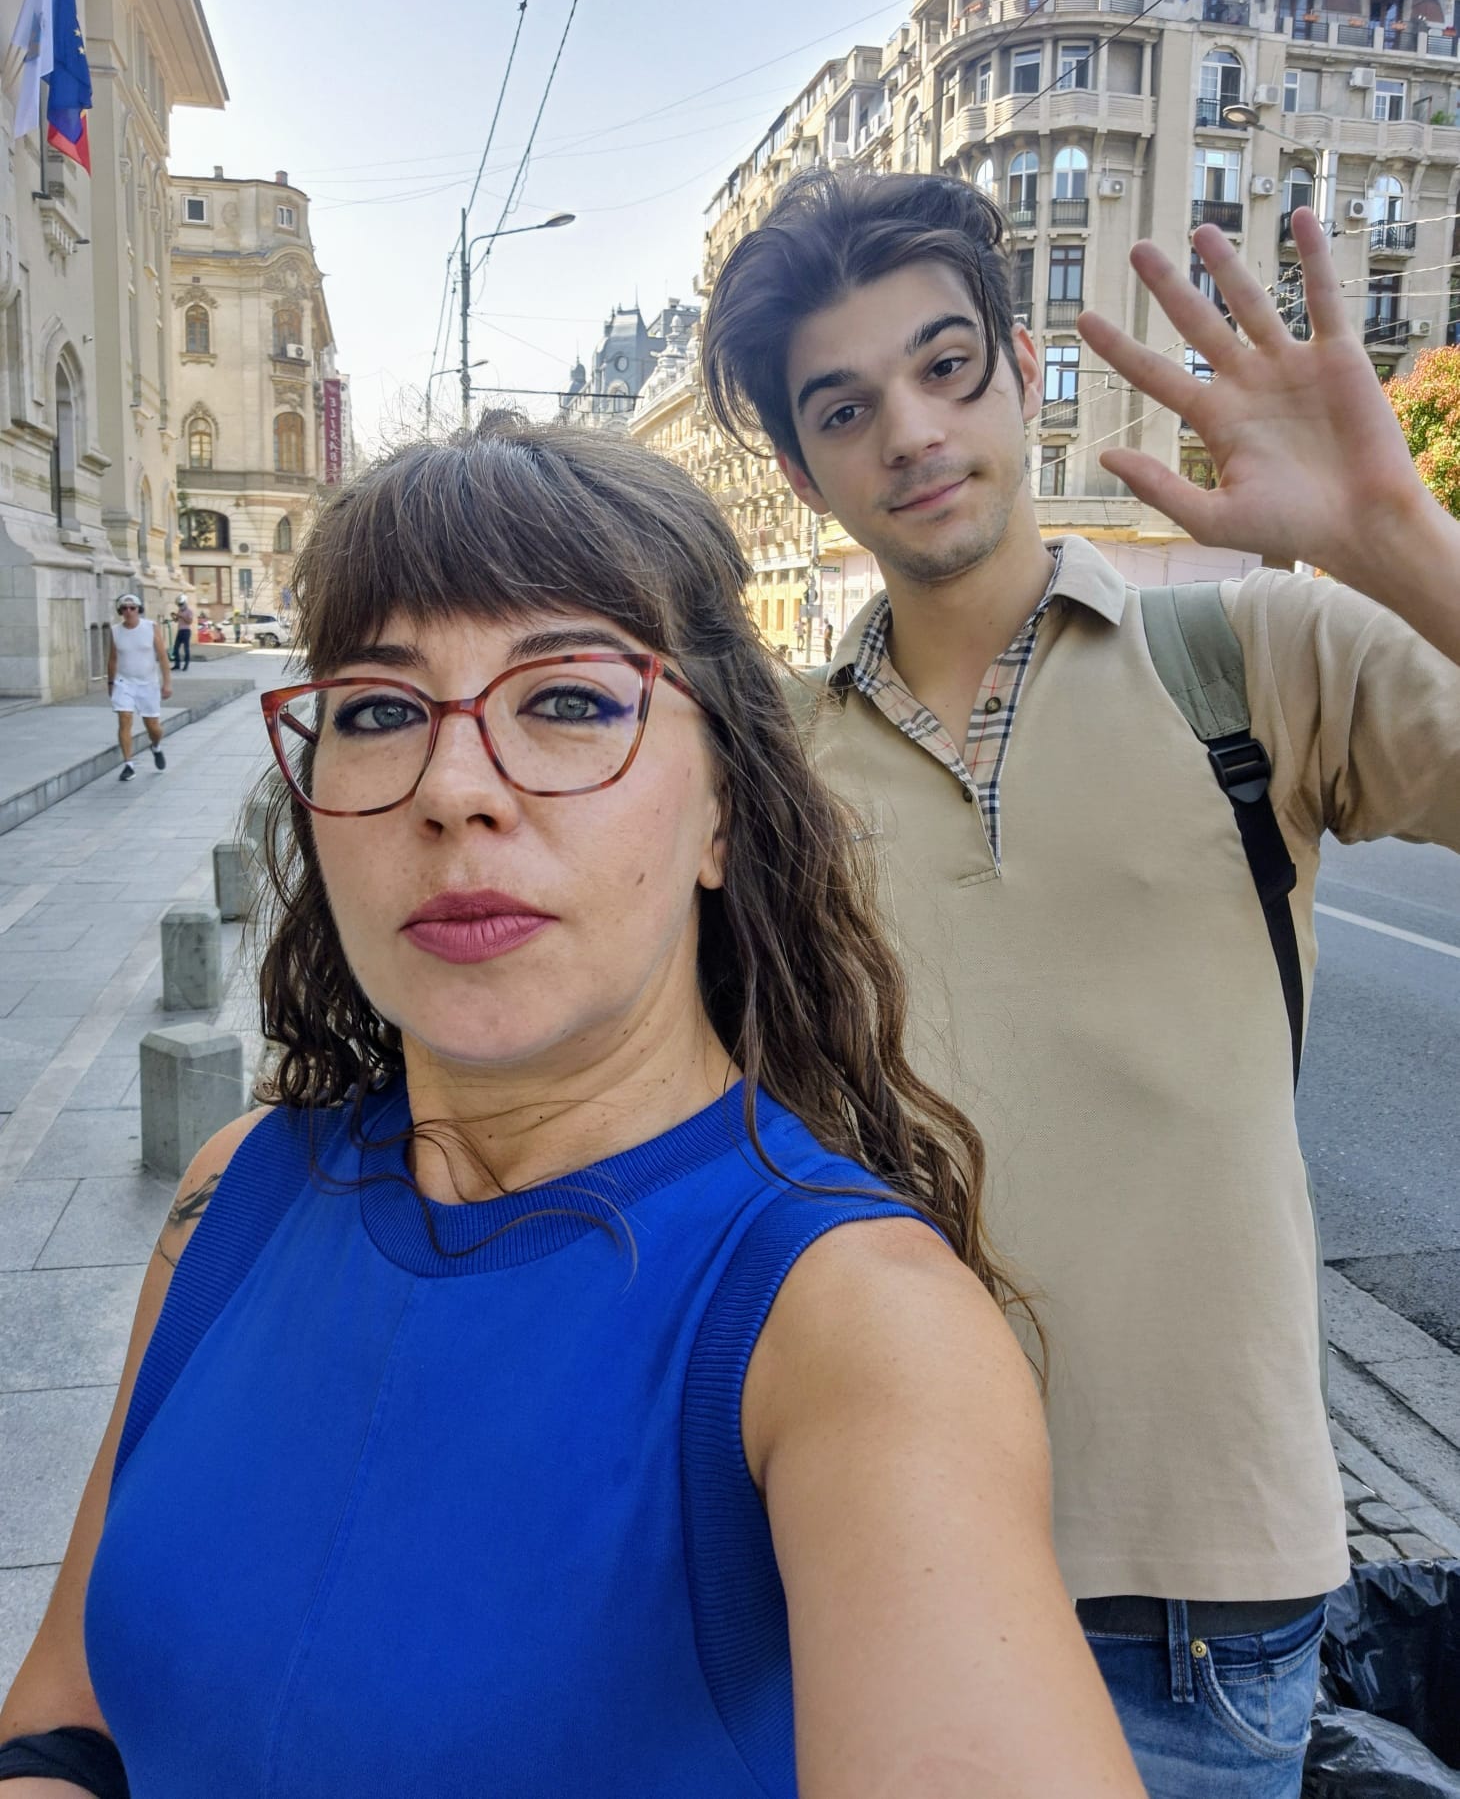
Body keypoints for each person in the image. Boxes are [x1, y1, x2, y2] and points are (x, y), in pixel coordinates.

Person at [0, 419, 1146, 1799]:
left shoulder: (857, 1331)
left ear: (723, 809)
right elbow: (66, 1707)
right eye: (378, 710)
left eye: (569, 699)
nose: (454, 789)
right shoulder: (233, 1192)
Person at [701, 172, 1460, 1797]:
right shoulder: (769, 771)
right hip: (872, 1560)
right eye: (846, 407)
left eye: (945, 366)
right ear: (801, 468)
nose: (912, 431)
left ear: (1019, 366)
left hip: (1203, 1603)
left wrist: (1399, 541)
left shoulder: (1259, 657)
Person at [104, 594, 171, 784]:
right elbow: (112, 659)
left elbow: (162, 656)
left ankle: (156, 746)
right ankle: (129, 765)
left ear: (138, 610)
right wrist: (110, 683)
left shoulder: (150, 627)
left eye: (132, 608)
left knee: (153, 727)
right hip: (123, 682)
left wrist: (167, 683)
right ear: (120, 611)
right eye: (124, 608)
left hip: (148, 683)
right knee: (124, 719)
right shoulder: (116, 631)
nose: (128, 611)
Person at [170, 596, 193, 673]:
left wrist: (182, 616)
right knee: (176, 648)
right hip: (180, 631)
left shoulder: (189, 611)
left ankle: (186, 664)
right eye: (179, 605)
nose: (180, 606)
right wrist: (174, 616)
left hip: (186, 631)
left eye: (181, 604)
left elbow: (189, 622)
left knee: (186, 648)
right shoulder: (179, 610)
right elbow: (176, 620)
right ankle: (177, 664)